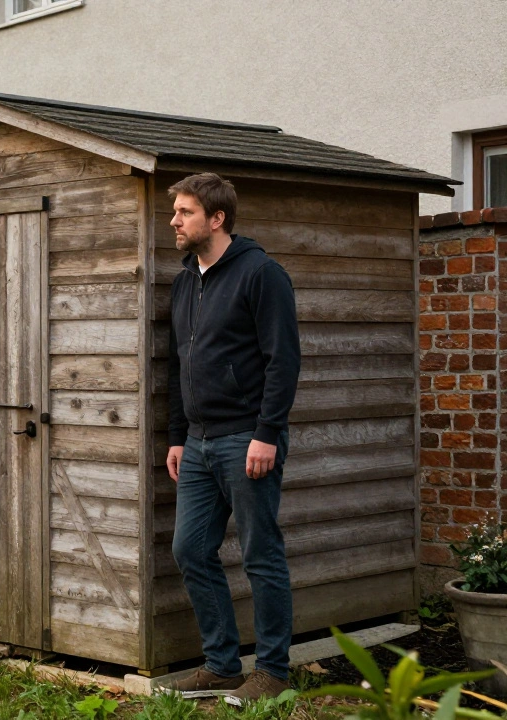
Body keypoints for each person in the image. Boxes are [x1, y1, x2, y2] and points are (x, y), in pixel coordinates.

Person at [165, 173, 301, 701]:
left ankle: (271, 672)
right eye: (174, 212)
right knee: (190, 550)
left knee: (260, 553)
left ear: (216, 218)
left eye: (185, 212)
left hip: (246, 438)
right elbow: (182, 364)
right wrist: (178, 435)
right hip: (197, 443)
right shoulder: (185, 281)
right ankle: (221, 665)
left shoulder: (262, 274)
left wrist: (267, 433)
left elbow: (282, 361)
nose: (174, 222)